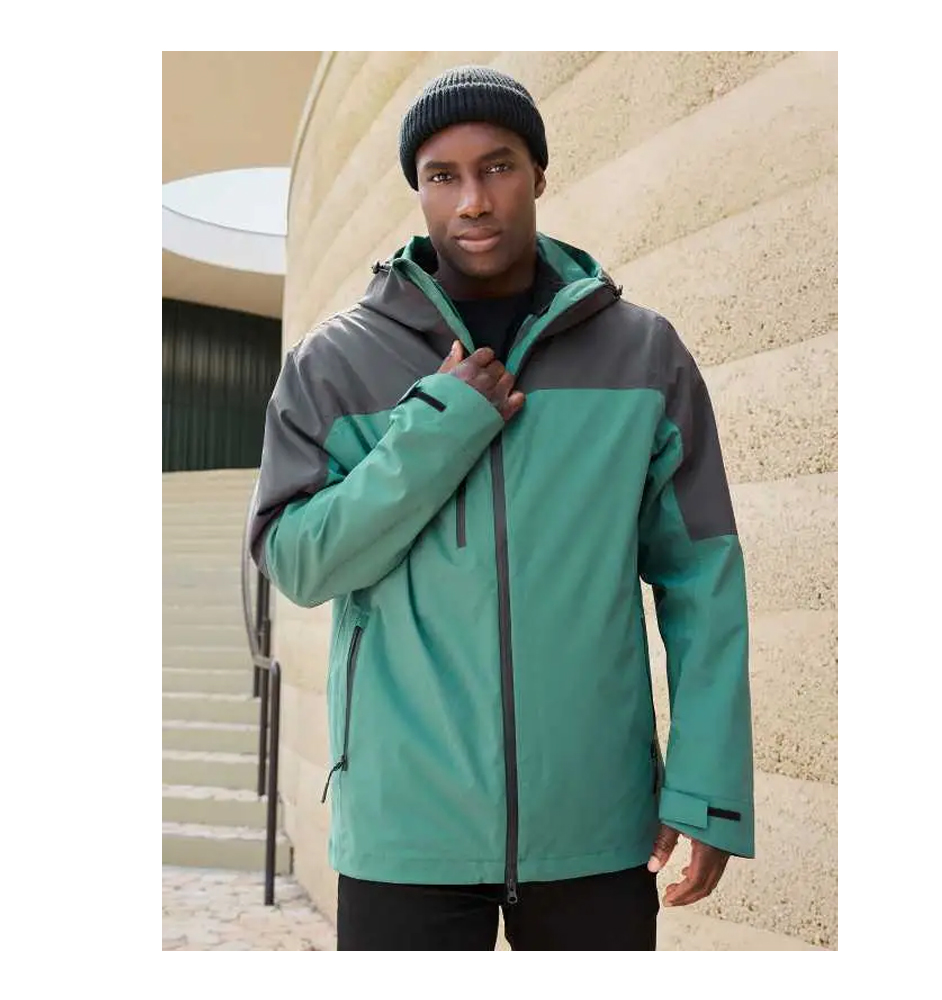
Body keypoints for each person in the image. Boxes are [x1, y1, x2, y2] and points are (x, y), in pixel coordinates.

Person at [248, 65, 754, 951]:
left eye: (498, 167)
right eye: (443, 176)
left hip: (596, 821)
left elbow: (702, 578)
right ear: (418, 192)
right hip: (404, 826)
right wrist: (434, 432)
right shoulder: (333, 365)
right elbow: (297, 561)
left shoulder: (644, 356)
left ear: (539, 174)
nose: (473, 200)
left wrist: (708, 785)